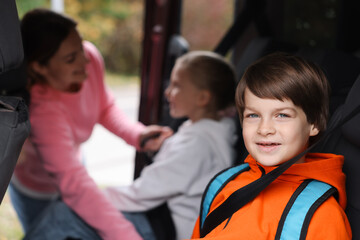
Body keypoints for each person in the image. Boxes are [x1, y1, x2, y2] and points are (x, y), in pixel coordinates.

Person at [20, 50, 238, 240]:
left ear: (202, 98)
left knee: (62, 215)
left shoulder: (197, 145)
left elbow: (145, 193)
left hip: (168, 228)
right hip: (163, 217)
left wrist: (97, 199)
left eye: (177, 85)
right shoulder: (211, 131)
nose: (168, 92)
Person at [9, 8, 172, 240]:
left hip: (72, 166)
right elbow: (75, 185)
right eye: (70, 58)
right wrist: (126, 235)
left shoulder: (90, 58)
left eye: (81, 47)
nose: (85, 60)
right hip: (37, 187)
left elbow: (104, 107)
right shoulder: (41, 110)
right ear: (39, 67)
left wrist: (138, 135)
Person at [189, 52, 352, 239]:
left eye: (282, 115)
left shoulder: (321, 215)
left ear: (313, 124)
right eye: (253, 115)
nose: (264, 129)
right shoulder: (224, 184)